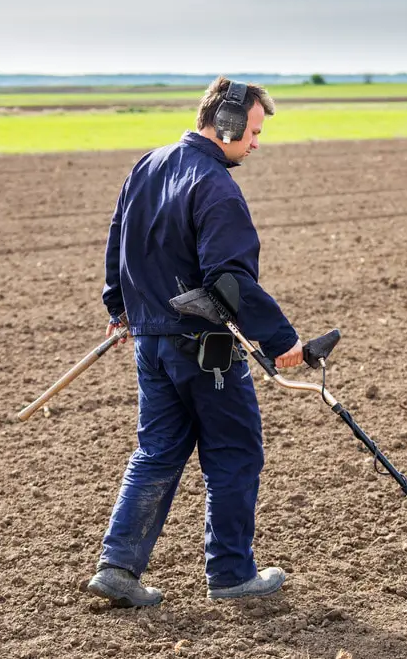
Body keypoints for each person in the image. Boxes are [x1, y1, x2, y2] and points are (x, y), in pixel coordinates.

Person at [86, 76, 303, 607]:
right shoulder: (216, 186)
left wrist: (119, 308)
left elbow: (119, 243)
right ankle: (231, 574)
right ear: (226, 123)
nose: (256, 142)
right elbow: (229, 281)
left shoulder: (147, 165)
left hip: (150, 342)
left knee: (156, 452)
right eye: (252, 131)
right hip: (204, 351)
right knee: (234, 453)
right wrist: (280, 339)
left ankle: (118, 568)